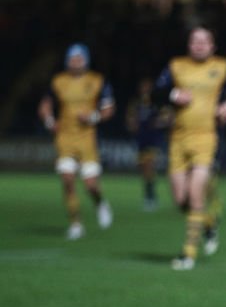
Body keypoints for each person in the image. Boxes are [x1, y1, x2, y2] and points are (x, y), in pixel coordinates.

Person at [154, 27, 226, 271]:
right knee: (180, 200)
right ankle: (208, 222)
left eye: (204, 41)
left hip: (207, 138)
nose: (199, 45)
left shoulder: (225, 66)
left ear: (213, 46)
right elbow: (157, 91)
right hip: (178, 139)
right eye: (195, 41)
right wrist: (173, 94)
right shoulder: (176, 66)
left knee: (196, 195)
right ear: (189, 45)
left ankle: (188, 254)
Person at [37, 43, 115, 239]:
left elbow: (108, 109)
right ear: (67, 61)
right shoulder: (58, 82)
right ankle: (75, 224)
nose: (76, 62)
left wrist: (93, 117)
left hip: (87, 139)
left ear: (86, 60)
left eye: (79, 59)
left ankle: (100, 202)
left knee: (91, 185)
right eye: (72, 59)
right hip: (64, 138)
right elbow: (45, 105)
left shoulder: (97, 81)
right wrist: (49, 121)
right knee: (68, 179)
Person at [125, 77, 170, 211]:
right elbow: (130, 120)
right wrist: (132, 124)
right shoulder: (136, 104)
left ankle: (150, 197)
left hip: (154, 139)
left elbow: (168, 117)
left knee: (148, 165)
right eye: (143, 87)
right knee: (144, 169)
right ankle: (150, 195)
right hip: (141, 139)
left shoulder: (157, 103)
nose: (145, 90)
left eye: (148, 87)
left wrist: (159, 122)